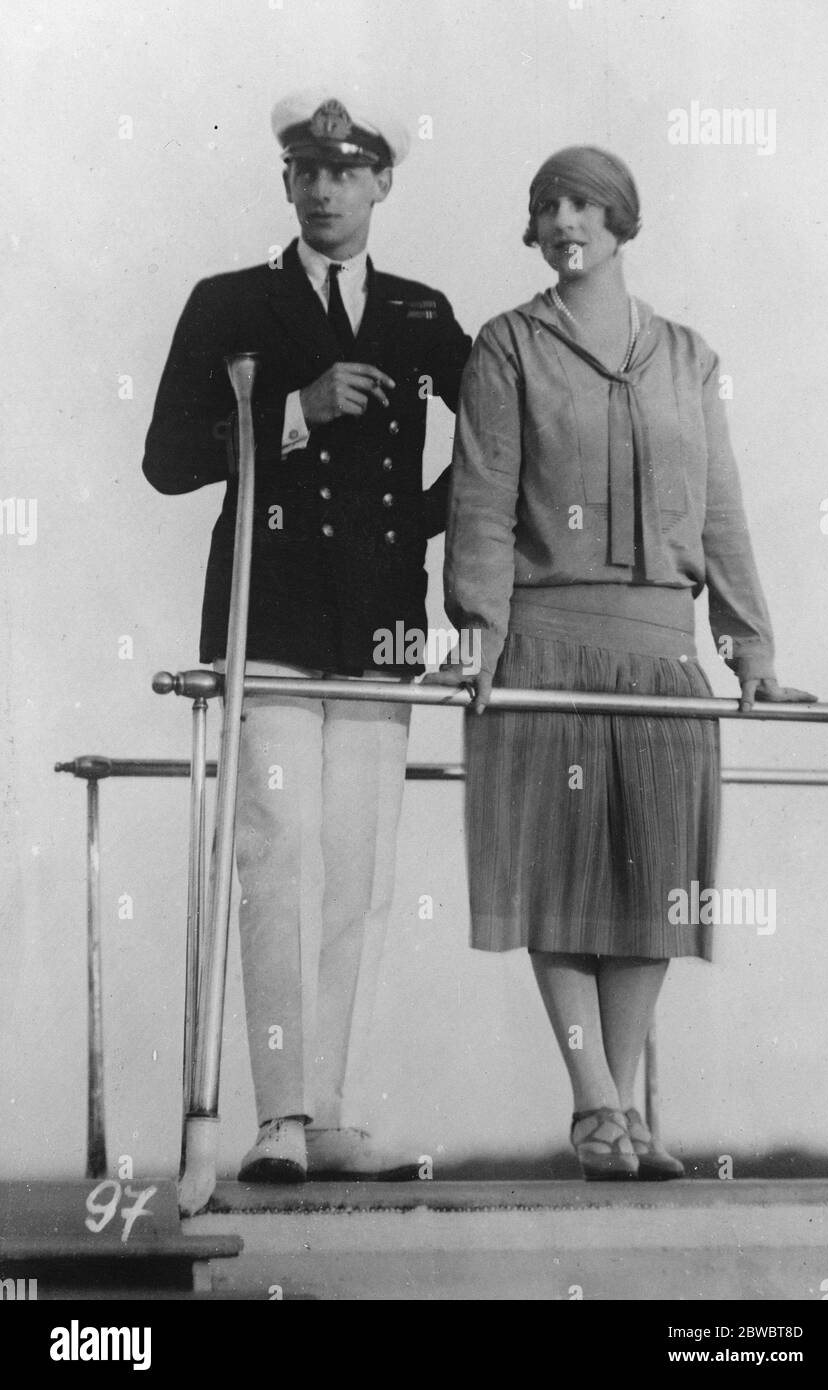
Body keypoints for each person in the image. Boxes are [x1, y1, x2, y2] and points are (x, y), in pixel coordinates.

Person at [431, 146, 814, 1180]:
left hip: (658, 651)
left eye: (585, 202)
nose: (565, 219)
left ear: (621, 220)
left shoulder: (686, 357)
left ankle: (628, 1103)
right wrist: (480, 631)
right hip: (545, 643)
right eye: (546, 202)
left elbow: (722, 508)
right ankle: (595, 1100)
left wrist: (749, 650)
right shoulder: (509, 346)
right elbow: (482, 494)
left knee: (655, 883)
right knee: (555, 878)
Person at [142, 89, 470, 1182]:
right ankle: (278, 1115)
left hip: (378, 623)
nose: (326, 189)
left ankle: (335, 1112)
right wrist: (294, 408)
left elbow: (502, 427)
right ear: (286, 182)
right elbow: (168, 457)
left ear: (383, 183)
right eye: (307, 171)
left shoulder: (424, 313)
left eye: (348, 170)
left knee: (362, 870)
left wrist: (438, 517)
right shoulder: (232, 302)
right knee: (278, 857)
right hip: (270, 613)